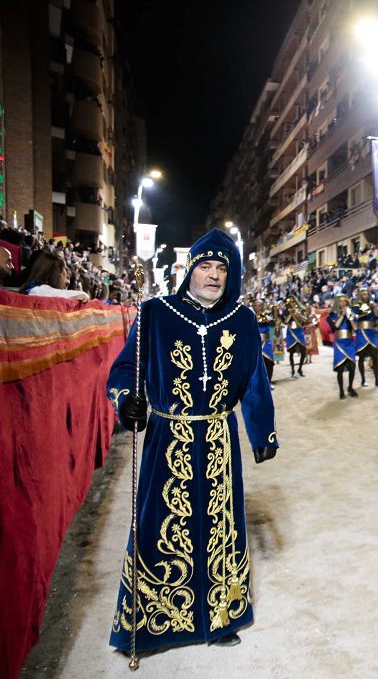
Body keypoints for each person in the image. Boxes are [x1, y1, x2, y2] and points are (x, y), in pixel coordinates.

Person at [106, 229, 278, 652]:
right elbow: (125, 369)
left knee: (221, 526)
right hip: (168, 439)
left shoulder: (242, 321)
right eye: (205, 265)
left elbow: (255, 381)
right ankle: (151, 625)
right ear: (190, 270)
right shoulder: (155, 313)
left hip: (219, 438)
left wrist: (262, 431)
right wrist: (127, 399)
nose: (214, 275)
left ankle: (220, 617)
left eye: (222, 268)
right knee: (160, 523)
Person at [18, 250, 89, 301]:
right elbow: (83, 295)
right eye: (65, 270)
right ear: (58, 274)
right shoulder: (39, 290)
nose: (67, 274)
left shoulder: (32, 288)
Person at [329, 295, 359, 398]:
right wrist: (342, 315)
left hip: (349, 343)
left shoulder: (352, 314)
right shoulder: (333, 314)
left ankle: (350, 387)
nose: (342, 303)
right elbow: (335, 327)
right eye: (340, 301)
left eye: (344, 302)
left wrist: (350, 318)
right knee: (340, 368)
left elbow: (355, 328)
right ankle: (341, 390)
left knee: (352, 367)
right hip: (339, 343)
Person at [355, 292, 378, 388]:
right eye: (363, 294)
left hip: (371, 332)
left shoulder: (373, 304)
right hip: (361, 332)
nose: (365, 296)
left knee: (375, 357)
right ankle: (363, 380)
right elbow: (355, 316)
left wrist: (375, 307)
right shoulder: (356, 306)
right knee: (361, 357)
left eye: (367, 294)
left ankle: (377, 380)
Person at [280, 297, 309, 377]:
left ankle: (300, 369)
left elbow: (304, 320)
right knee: (291, 353)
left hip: (299, 331)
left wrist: (297, 313)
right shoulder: (286, 311)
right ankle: (292, 370)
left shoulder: (300, 309)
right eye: (290, 303)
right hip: (291, 332)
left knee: (303, 351)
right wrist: (290, 314)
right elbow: (285, 322)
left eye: (293, 302)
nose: (291, 304)